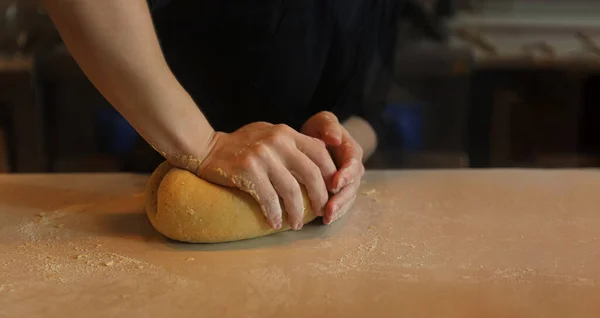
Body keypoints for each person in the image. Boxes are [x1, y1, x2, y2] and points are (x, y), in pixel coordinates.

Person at [41, 0, 399, 231]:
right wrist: (203, 144)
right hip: (162, 164)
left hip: (299, 190)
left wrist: (331, 155)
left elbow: (367, 111)